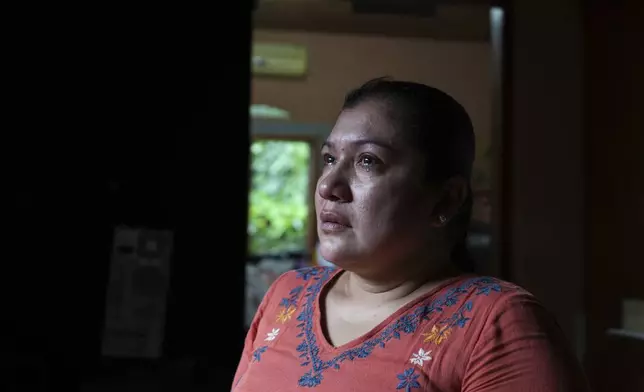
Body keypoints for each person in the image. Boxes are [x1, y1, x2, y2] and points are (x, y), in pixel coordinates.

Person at [232, 78, 588, 391]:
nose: (328, 185)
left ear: (445, 199)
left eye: (368, 161)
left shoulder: (495, 324)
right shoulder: (287, 295)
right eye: (329, 159)